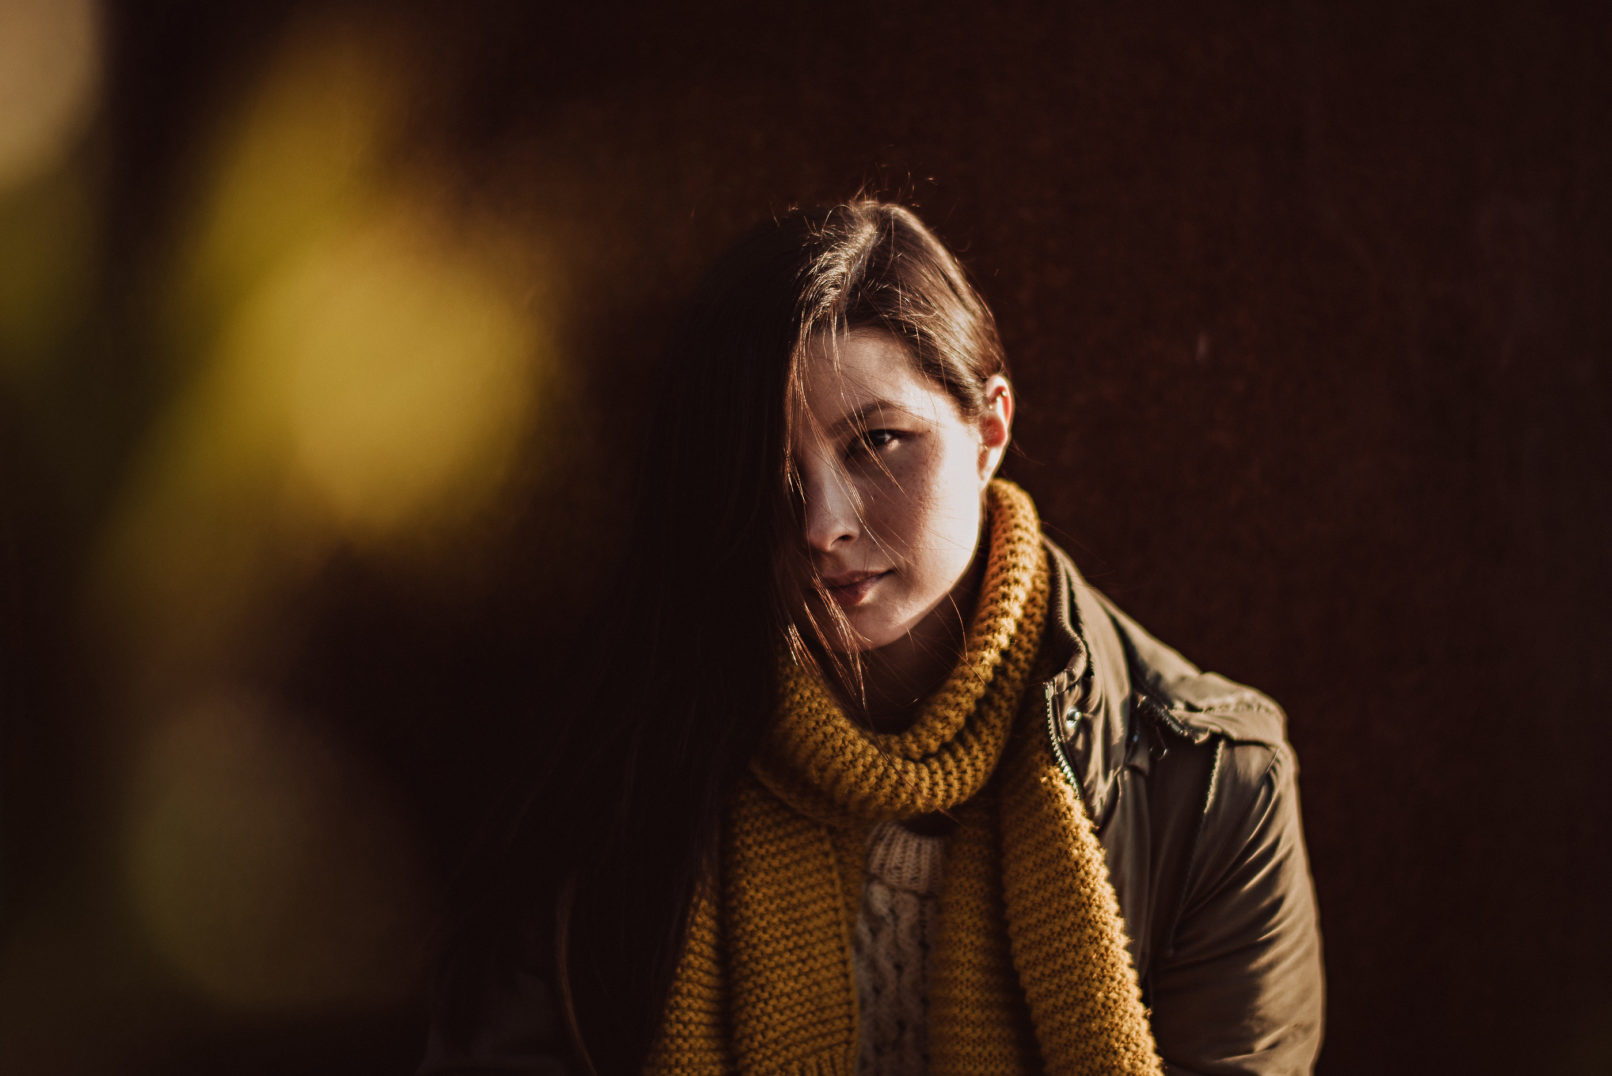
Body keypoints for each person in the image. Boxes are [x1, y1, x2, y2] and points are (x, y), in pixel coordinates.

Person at [420, 199, 1324, 1075]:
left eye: (878, 442)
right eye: (771, 470)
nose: (822, 525)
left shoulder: (1210, 780)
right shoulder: (611, 749)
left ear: (989, 429)